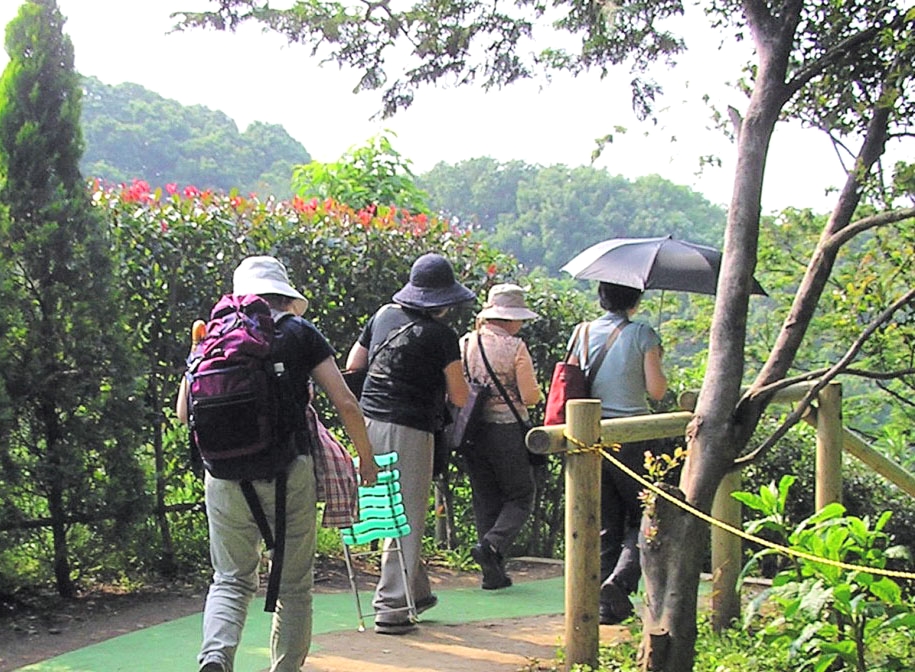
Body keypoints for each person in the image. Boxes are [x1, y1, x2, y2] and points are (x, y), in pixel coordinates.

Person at [176, 255, 378, 672]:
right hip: (288, 470)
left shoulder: (213, 334)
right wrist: (365, 459)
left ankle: (216, 656)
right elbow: (345, 402)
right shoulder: (298, 331)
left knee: (230, 579)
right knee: (293, 585)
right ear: (285, 296)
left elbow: (183, 412)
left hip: (223, 475)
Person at [345, 252, 474, 635]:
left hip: (367, 422)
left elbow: (355, 364)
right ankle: (392, 608)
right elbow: (461, 396)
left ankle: (415, 592)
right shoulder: (442, 336)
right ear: (444, 300)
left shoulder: (383, 316)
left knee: (387, 505)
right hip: (410, 428)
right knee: (408, 515)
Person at [566, 281, 667, 625]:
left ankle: (603, 605)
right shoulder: (643, 335)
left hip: (588, 435)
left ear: (601, 297)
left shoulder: (581, 332)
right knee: (649, 513)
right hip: (634, 437)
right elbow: (656, 391)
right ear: (636, 300)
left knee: (606, 522)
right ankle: (619, 583)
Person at [460, 283, 543, 590]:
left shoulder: (466, 342)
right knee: (520, 495)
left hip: (472, 430)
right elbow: (531, 396)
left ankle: (492, 574)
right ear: (510, 319)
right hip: (507, 428)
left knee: (486, 499)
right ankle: (493, 544)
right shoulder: (515, 348)